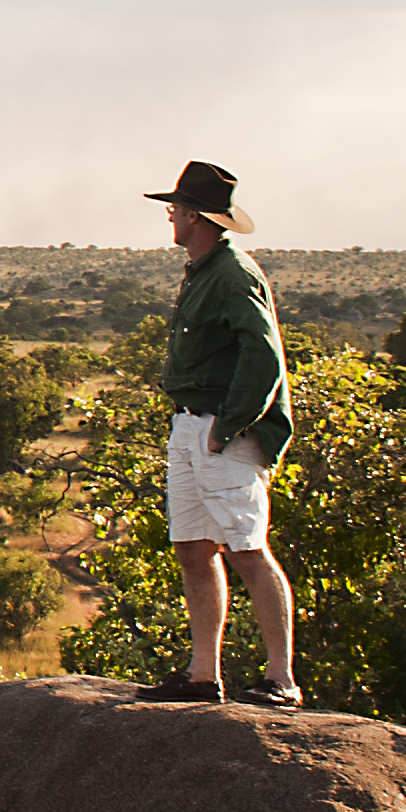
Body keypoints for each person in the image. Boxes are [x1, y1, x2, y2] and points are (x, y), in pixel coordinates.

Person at [139, 160, 300, 707]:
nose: (170, 219)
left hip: (222, 431)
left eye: (175, 211)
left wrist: (230, 426)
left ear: (195, 216)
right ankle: (203, 674)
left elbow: (264, 354)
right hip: (190, 424)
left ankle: (281, 679)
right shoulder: (202, 267)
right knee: (192, 547)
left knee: (247, 550)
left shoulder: (233, 273)